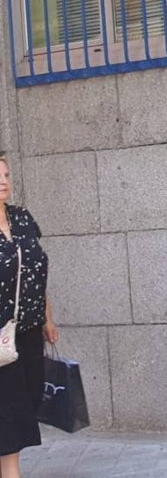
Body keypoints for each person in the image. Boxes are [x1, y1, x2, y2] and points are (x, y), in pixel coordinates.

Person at [0, 153, 59, 478]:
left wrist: (48, 318)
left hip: (30, 330)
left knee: (26, 403)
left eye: (6, 174)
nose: (3, 181)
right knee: (8, 412)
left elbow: (36, 272)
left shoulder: (22, 219)